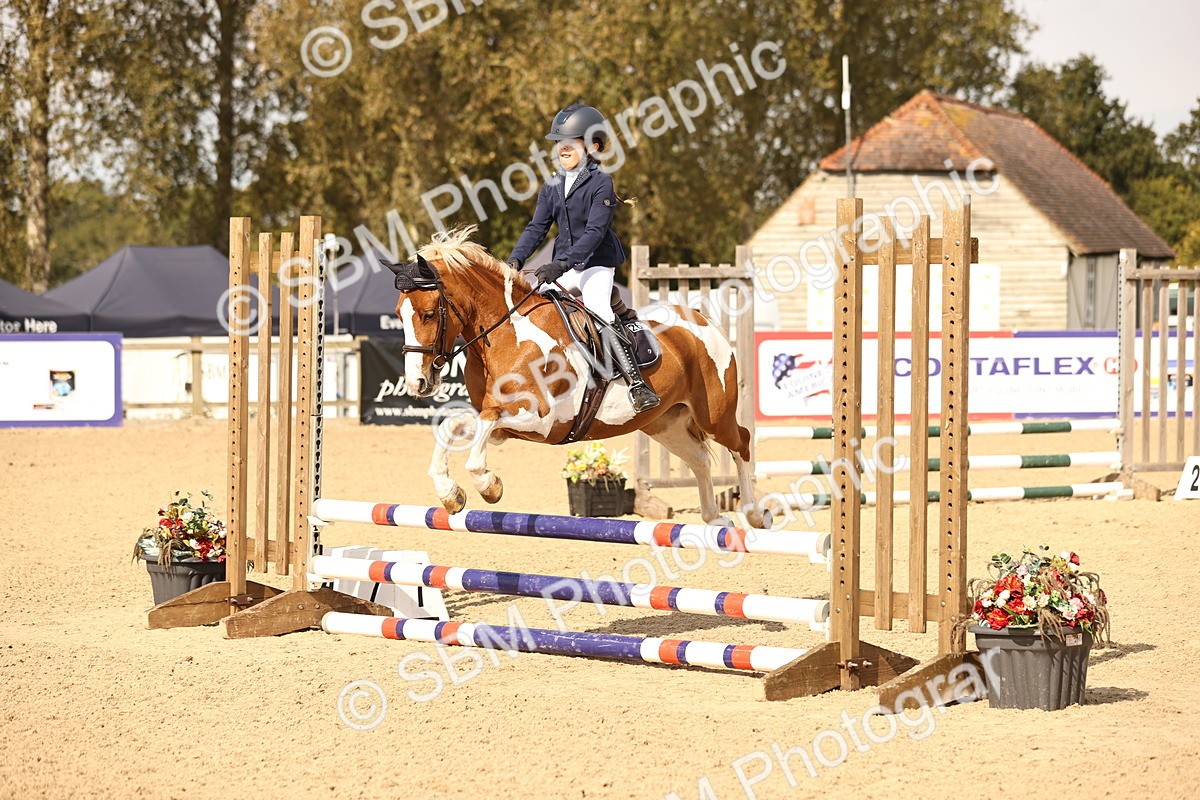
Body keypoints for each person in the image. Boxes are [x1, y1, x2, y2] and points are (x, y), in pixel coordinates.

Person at [507, 104, 660, 413]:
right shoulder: (552, 183)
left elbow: (594, 232)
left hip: (596, 264)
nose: (563, 148)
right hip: (563, 264)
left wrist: (561, 264)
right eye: (559, 143)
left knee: (599, 309)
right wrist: (515, 261)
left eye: (571, 142)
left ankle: (637, 384)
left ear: (593, 146)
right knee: (534, 307)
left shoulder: (601, 181)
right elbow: (537, 226)